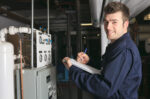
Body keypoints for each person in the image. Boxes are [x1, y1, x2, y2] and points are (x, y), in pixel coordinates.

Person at [62, 1, 142, 99]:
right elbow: (107, 70)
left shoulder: (123, 50)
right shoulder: (116, 45)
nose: (108, 27)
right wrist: (89, 62)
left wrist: (73, 70)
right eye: (106, 22)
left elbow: (104, 88)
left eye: (114, 22)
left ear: (125, 24)